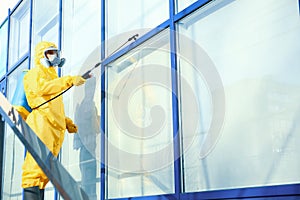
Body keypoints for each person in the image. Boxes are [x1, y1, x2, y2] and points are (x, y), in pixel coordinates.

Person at [21, 41, 87, 200]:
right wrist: (69, 80)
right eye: (50, 52)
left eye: (56, 53)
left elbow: (52, 106)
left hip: (53, 130)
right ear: (41, 55)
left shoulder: (52, 78)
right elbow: (42, 89)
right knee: (34, 168)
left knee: (44, 173)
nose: (55, 56)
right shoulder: (34, 73)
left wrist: (66, 122)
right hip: (41, 125)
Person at [73, 76, 99, 200]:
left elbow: (97, 128)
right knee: (87, 181)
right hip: (86, 150)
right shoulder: (82, 107)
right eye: (90, 88)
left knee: (91, 182)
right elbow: (80, 126)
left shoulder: (92, 106)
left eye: (93, 88)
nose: (92, 91)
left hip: (92, 149)